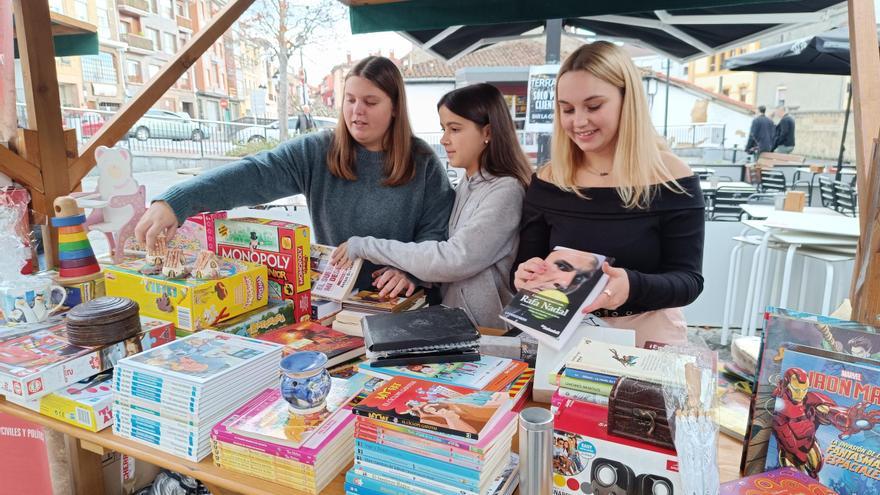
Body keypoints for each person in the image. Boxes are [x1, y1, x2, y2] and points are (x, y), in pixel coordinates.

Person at [134, 56, 455, 292]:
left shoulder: (423, 162)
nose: (357, 111)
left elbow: (437, 234)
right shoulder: (317, 151)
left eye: (370, 102)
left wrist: (411, 274)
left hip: (405, 304)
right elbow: (254, 173)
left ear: (395, 107)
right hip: (335, 301)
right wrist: (178, 201)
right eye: (350, 100)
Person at [512, 41, 705, 346]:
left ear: (627, 101)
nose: (578, 121)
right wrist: (525, 274)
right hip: (557, 335)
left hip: (645, 337)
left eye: (593, 106)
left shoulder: (672, 178)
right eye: (567, 109)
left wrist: (633, 285)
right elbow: (528, 262)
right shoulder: (549, 179)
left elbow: (689, 281)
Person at [330, 83, 532, 327]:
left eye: (455, 129)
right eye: (443, 128)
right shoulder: (468, 183)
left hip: (487, 333)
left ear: (487, 132)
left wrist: (366, 246)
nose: (445, 139)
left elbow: (454, 258)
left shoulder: (505, 190)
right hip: (458, 324)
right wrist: (410, 274)